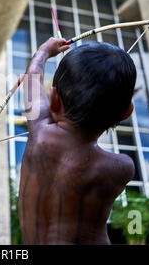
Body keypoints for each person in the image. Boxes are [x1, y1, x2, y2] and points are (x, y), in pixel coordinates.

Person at [19, 37, 136, 244]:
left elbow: (31, 79)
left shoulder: (39, 133)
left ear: (54, 100)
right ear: (127, 112)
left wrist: (44, 51)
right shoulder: (121, 167)